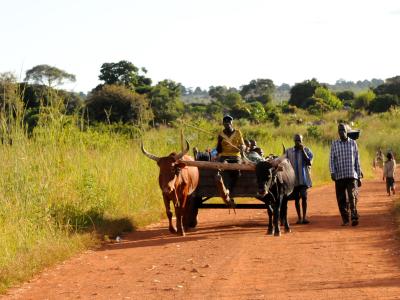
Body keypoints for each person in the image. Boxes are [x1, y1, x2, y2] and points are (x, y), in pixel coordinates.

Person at [329, 123, 362, 226]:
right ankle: (345, 219)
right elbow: (331, 160)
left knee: (352, 196)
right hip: (339, 176)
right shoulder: (334, 144)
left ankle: (354, 216)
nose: (341, 132)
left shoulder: (353, 143)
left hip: (351, 174)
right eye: (339, 130)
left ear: (346, 131)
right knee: (341, 199)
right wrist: (332, 172)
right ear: (338, 132)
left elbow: (357, 160)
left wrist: (359, 176)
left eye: (343, 130)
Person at [216, 115, 245, 205]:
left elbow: (243, 145)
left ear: (232, 123)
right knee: (222, 167)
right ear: (223, 124)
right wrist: (220, 142)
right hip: (224, 156)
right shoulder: (220, 134)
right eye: (225, 122)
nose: (227, 124)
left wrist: (242, 147)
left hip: (236, 156)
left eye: (229, 122)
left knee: (237, 170)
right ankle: (226, 189)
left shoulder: (238, 132)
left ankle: (229, 190)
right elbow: (218, 150)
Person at [285, 134, 313, 224]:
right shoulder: (289, 151)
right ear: (294, 141)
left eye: (299, 140)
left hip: (304, 179)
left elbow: (309, 162)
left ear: (302, 141)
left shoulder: (307, 150)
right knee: (296, 198)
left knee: (304, 196)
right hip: (293, 180)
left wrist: (303, 151)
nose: (298, 142)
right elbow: (284, 162)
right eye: (296, 140)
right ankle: (299, 218)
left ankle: (304, 217)